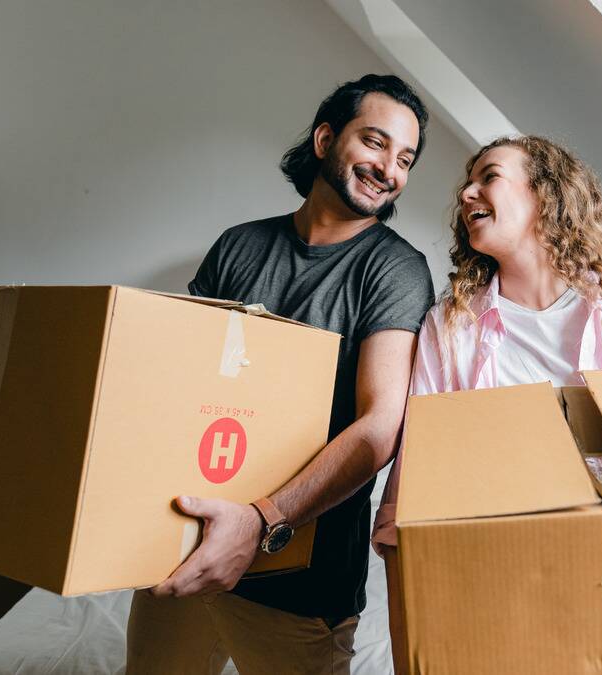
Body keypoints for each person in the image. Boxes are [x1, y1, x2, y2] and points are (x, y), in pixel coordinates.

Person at [125, 74, 436, 675]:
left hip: (301, 583)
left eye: (404, 159)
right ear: (325, 139)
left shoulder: (395, 270)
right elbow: (178, 387)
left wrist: (261, 519)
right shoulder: (238, 246)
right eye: (375, 142)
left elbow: (379, 428)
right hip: (185, 548)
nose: (389, 169)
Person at [372, 134, 602, 550]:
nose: (466, 192)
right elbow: (420, 462)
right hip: (500, 551)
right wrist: (394, 531)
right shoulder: (451, 327)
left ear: (545, 196)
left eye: (489, 176)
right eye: (466, 185)